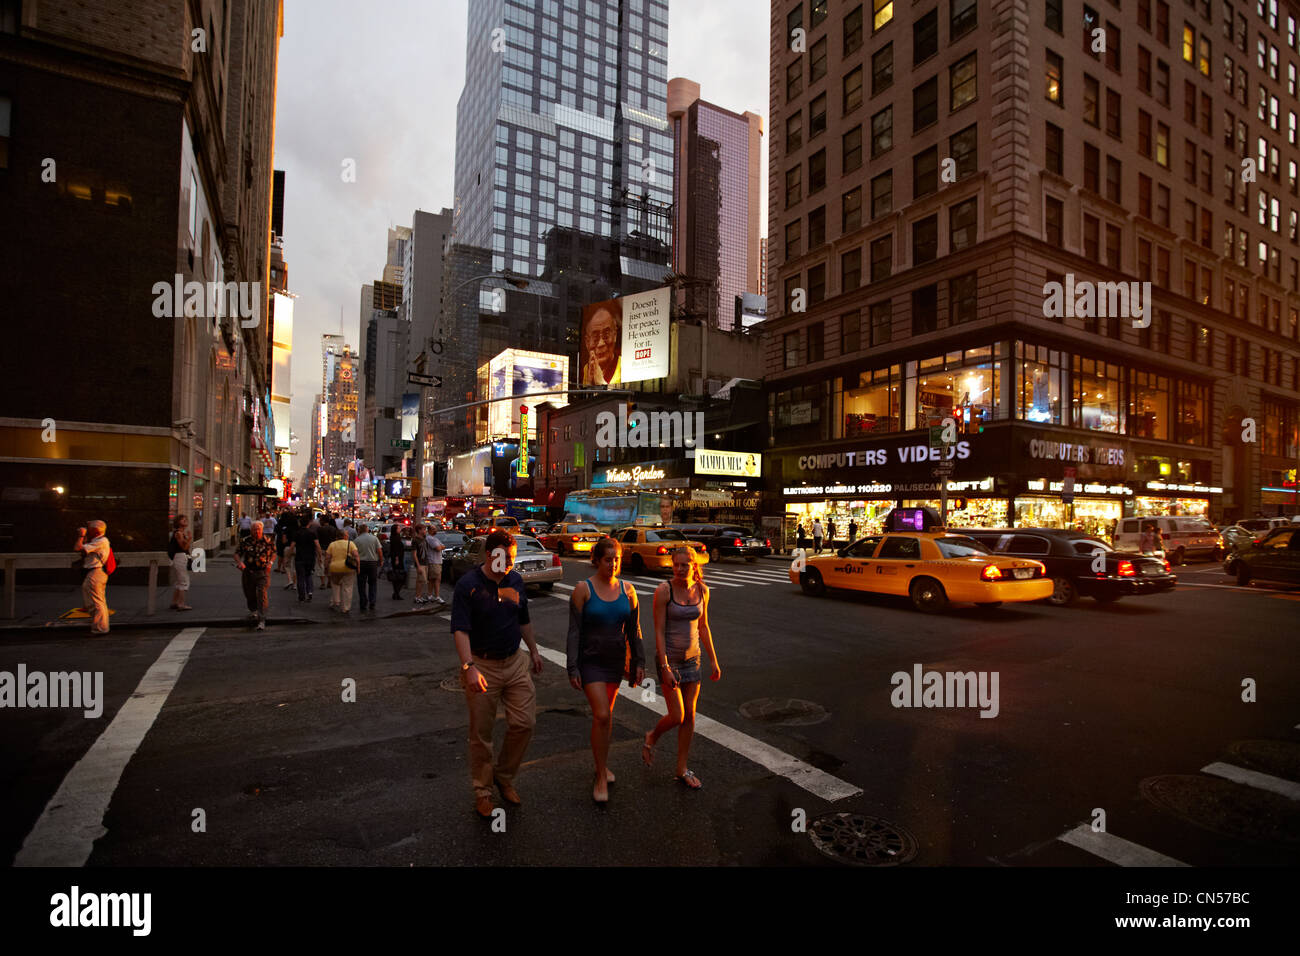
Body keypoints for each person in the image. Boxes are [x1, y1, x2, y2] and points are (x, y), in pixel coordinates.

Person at [450, 530, 544, 818]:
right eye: (505, 559)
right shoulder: (468, 585)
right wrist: (469, 667)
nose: (510, 565)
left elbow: (522, 618)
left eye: (513, 559)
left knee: (524, 723)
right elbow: (460, 630)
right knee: (481, 733)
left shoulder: (514, 580)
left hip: (514, 661)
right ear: (490, 556)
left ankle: (504, 776)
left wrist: (534, 650)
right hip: (482, 664)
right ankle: (483, 790)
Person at [566, 537, 644, 804]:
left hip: (614, 663)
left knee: (606, 717)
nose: (613, 564)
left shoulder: (629, 590)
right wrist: (572, 667)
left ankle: (602, 765)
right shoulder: (582, 589)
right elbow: (574, 632)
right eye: (608, 559)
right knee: (600, 714)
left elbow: (635, 632)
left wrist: (638, 664)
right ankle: (600, 775)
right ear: (597, 560)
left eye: (617, 559)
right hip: (590, 662)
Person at [643, 546, 720, 790]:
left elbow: (704, 627)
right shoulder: (664, 590)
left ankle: (681, 769)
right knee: (677, 715)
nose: (679, 569)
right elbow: (658, 630)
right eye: (676, 564)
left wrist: (714, 660)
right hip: (670, 661)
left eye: (685, 564)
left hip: (693, 660)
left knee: (690, 717)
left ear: (694, 566)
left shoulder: (703, 591)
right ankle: (652, 736)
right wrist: (664, 665)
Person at [234, 520, 276, 631]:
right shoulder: (245, 541)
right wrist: (240, 563)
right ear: (251, 530)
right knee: (249, 593)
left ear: (262, 530)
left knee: (262, 594)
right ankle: (253, 611)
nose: (257, 531)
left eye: (258, 529)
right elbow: (237, 554)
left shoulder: (268, 540)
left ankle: (262, 619)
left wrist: (270, 563)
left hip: (263, 572)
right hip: (248, 571)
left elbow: (274, 552)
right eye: (254, 529)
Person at [75, 520, 112, 635]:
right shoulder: (98, 541)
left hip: (96, 573)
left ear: (95, 531)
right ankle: (100, 627)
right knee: (95, 601)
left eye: (89, 529)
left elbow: (78, 547)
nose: (87, 530)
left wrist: (81, 535)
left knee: (96, 603)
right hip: (96, 573)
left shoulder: (101, 541)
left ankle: (100, 628)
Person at [581, 303, 622, 385]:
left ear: (615, 335)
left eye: (606, 335)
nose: (601, 344)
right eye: (595, 338)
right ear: (587, 342)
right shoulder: (586, 370)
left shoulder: (625, 367)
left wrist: (600, 382)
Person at [326, 531, 360, 615]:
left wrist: (326, 567)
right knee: (347, 587)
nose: (348, 535)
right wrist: (358, 567)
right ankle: (345, 607)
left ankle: (336, 601)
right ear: (345, 536)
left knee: (335, 585)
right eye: (347, 534)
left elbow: (327, 558)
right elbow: (356, 556)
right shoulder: (350, 544)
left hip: (335, 568)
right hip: (348, 568)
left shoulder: (332, 544)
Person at [354, 523, 383, 613]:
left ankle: (363, 603)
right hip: (372, 563)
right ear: (367, 530)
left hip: (361, 564)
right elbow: (379, 551)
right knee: (372, 583)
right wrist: (381, 560)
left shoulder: (356, 540)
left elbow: (354, 554)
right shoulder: (374, 538)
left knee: (361, 584)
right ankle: (372, 602)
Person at [167, 515, 193, 611]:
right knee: (184, 581)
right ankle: (181, 604)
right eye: (183, 519)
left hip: (179, 557)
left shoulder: (181, 533)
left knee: (179, 581)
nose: (185, 520)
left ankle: (174, 602)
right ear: (178, 522)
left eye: (186, 519)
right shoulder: (179, 533)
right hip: (179, 557)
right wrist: (189, 538)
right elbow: (184, 547)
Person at [293, 519, 322, 603]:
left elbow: (292, 545)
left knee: (300, 577)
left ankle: (301, 596)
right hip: (310, 557)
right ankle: (309, 592)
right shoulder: (312, 533)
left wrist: (287, 556)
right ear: (308, 524)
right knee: (308, 574)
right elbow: (317, 545)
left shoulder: (297, 533)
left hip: (299, 557)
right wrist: (319, 556)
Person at [411, 524, 431, 605]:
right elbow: (414, 554)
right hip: (420, 562)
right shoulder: (415, 540)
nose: (425, 531)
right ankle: (417, 596)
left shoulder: (424, 538)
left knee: (422, 581)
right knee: (420, 580)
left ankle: (419, 595)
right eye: (423, 529)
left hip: (425, 562)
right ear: (419, 530)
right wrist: (418, 565)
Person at [388, 522, 408, 600]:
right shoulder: (396, 538)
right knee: (400, 576)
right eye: (398, 528)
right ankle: (396, 593)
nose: (400, 529)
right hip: (398, 559)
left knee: (397, 576)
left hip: (398, 558)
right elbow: (396, 549)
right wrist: (397, 558)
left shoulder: (394, 537)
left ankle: (396, 593)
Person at [427, 528, 447, 606]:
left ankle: (430, 595)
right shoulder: (430, 539)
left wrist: (441, 546)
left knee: (433, 579)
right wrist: (440, 547)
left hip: (437, 561)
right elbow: (439, 548)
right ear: (429, 530)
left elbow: (443, 546)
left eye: (435, 529)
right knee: (436, 579)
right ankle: (436, 596)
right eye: (433, 529)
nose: (435, 530)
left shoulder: (435, 539)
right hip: (434, 561)